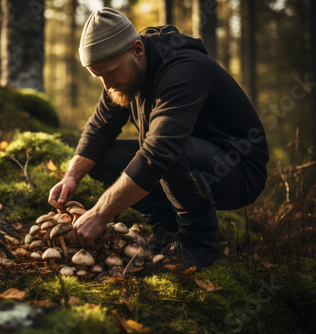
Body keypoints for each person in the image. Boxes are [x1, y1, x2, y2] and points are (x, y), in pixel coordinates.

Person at [48, 8, 269, 270]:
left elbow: (160, 151)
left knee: (172, 152)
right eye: (99, 77)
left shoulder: (184, 69)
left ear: (138, 50)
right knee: (103, 159)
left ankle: (200, 248)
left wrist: (99, 213)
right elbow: (99, 129)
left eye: (111, 73)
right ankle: (166, 231)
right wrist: (71, 176)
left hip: (236, 172)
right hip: (184, 164)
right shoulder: (121, 73)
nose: (106, 86)